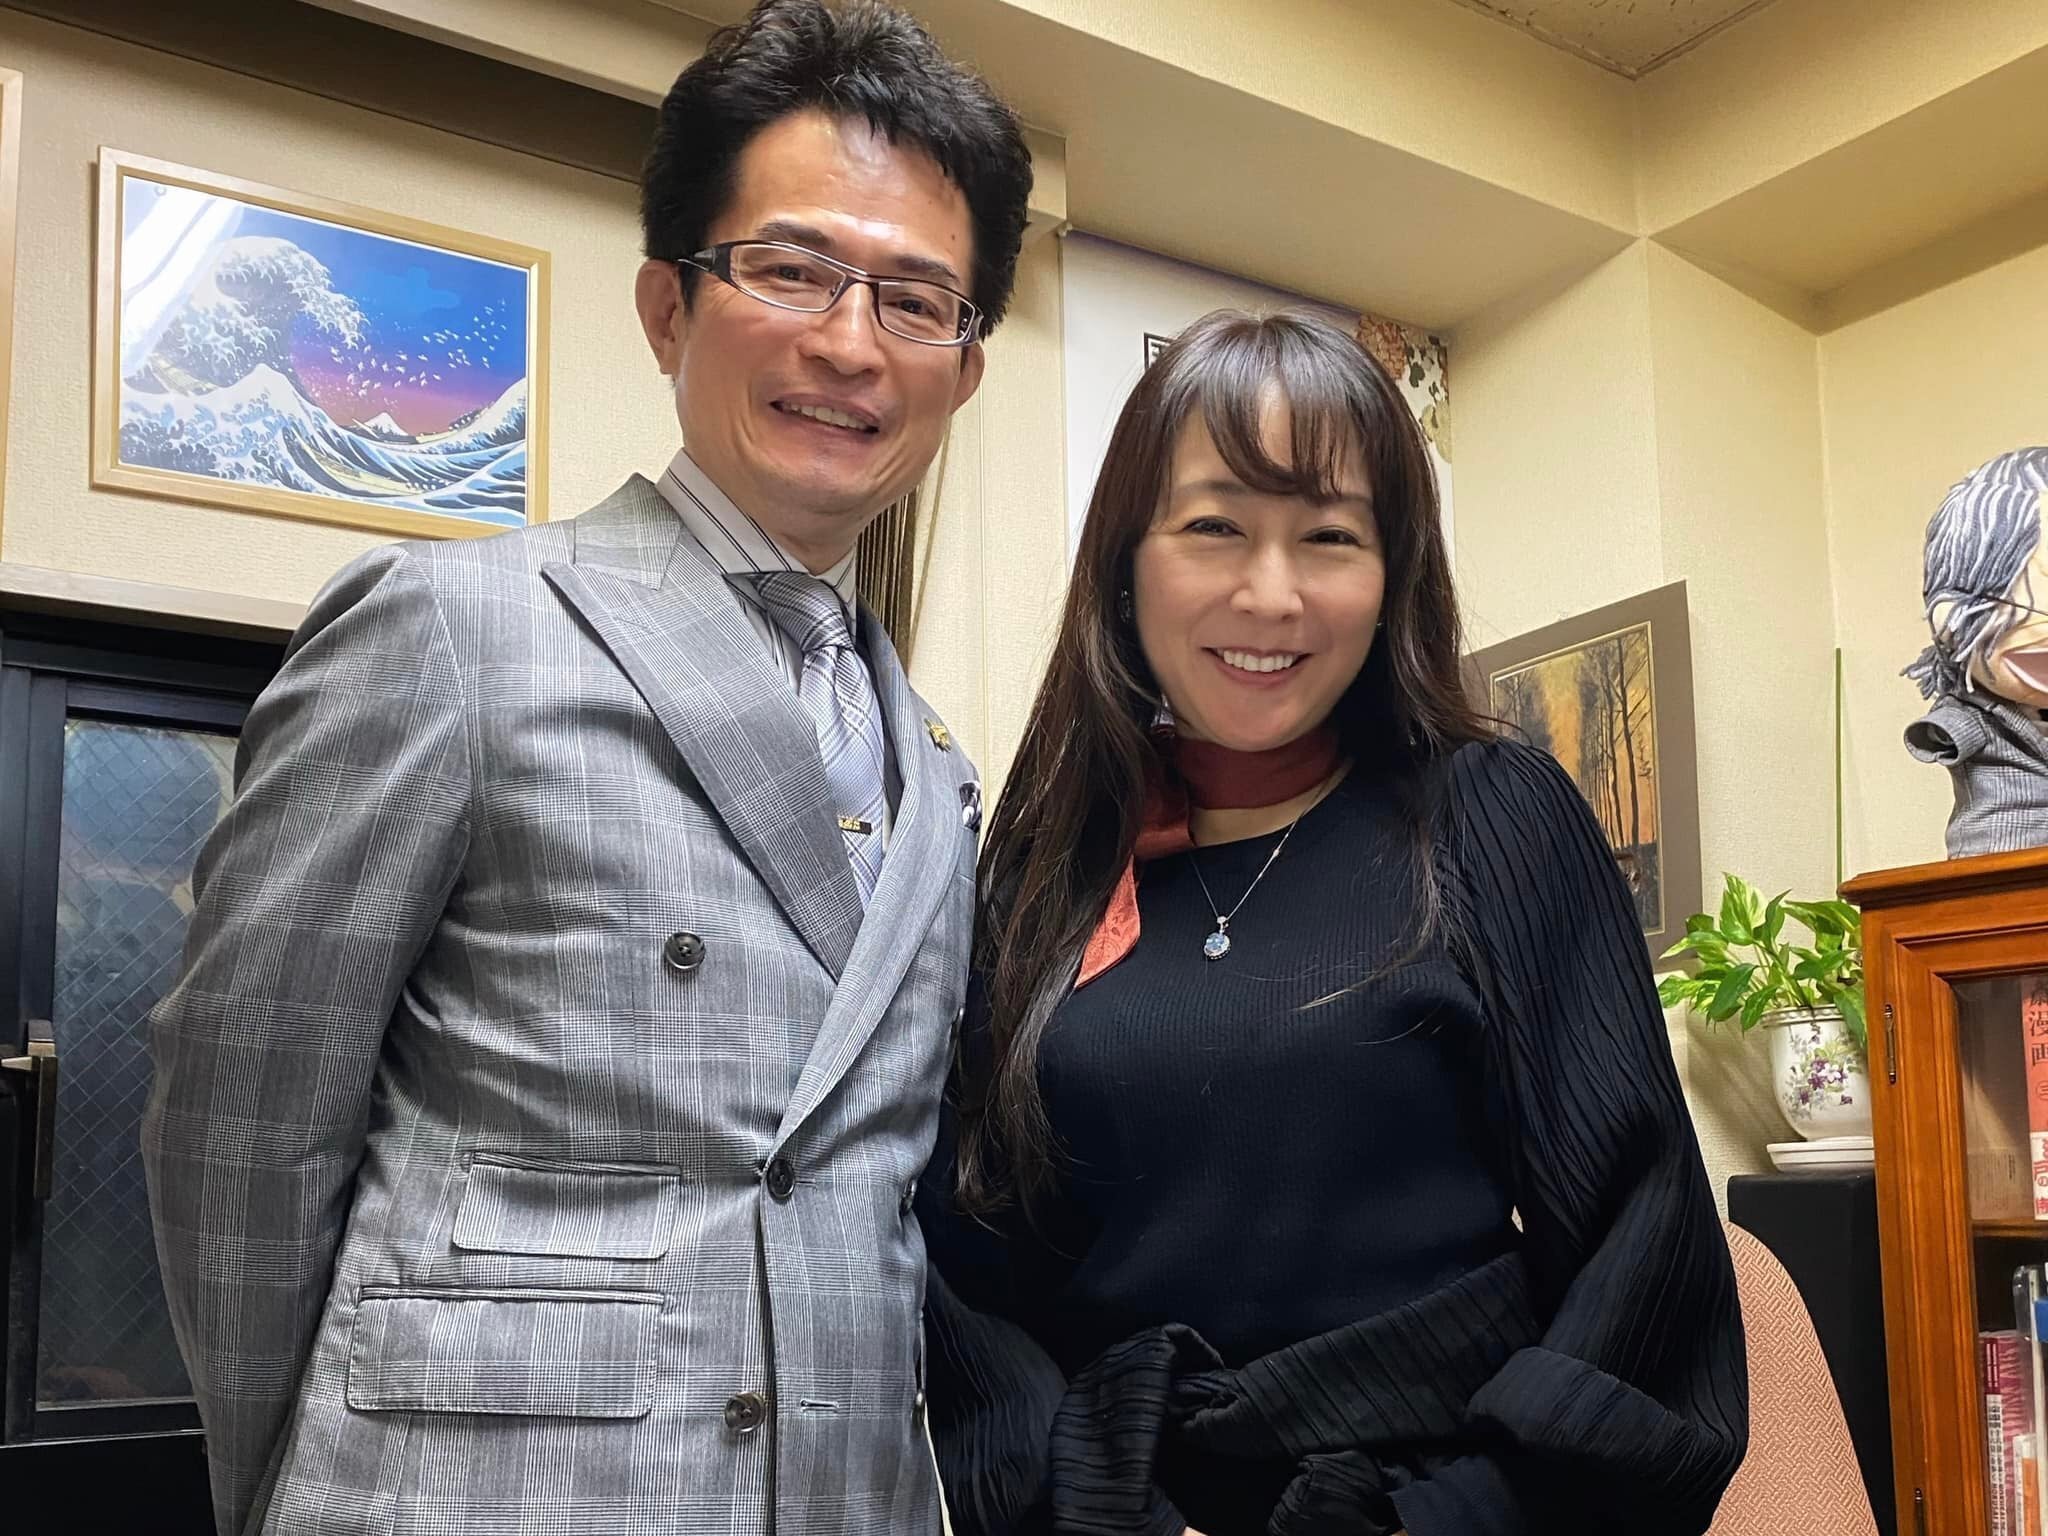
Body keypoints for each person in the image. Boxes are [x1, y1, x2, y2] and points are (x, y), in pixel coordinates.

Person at [140, 3, 1030, 1533]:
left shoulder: (936, 763)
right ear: (669, 307)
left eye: (914, 299)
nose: (848, 341)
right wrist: (299, 1488)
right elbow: (241, 1119)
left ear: (962, 369)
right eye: (791, 268)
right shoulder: (450, 629)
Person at [918, 308, 1748, 1536]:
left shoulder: (1490, 814)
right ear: (1124, 561)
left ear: (1390, 573)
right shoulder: (1042, 869)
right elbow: (970, 1271)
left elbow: (1643, 1254)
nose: (1271, 595)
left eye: (1328, 537)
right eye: (1212, 527)